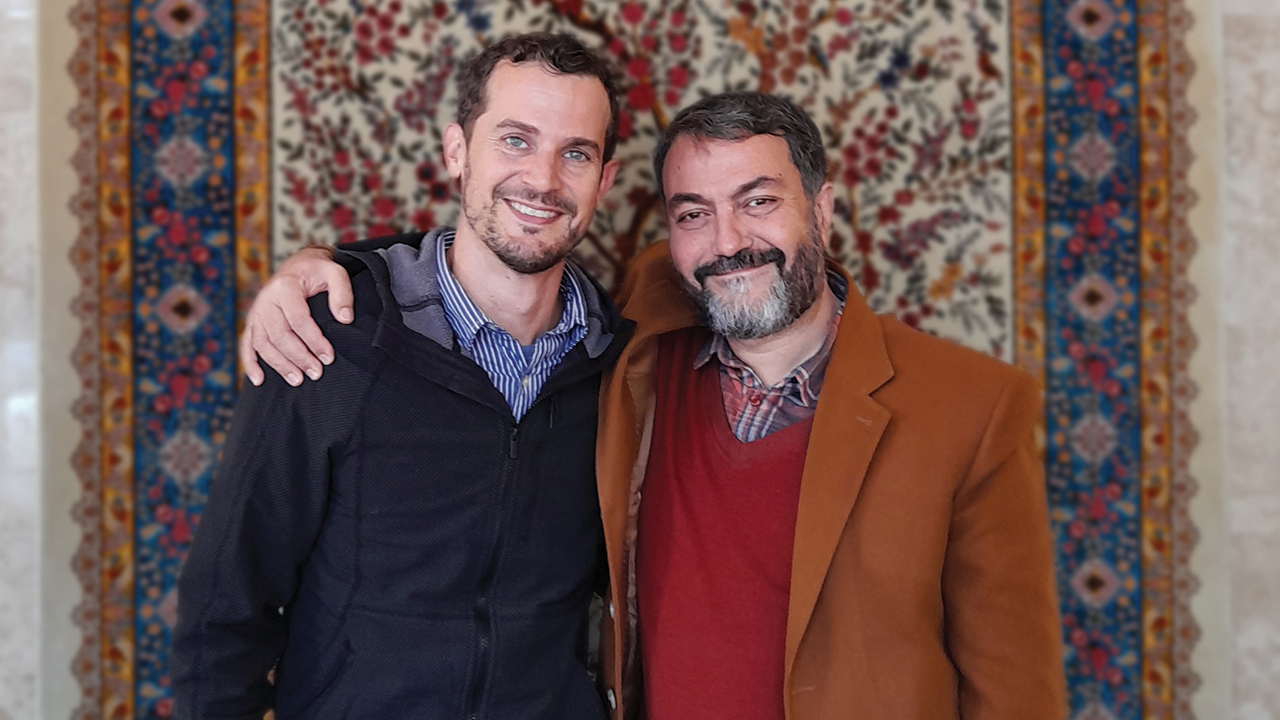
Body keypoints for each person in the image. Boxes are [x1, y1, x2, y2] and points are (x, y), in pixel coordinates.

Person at [244, 93, 1067, 719]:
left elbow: (1016, 691)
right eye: (692, 215)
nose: (727, 241)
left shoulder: (973, 407)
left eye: (759, 200)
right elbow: (497, 262)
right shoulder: (636, 344)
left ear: (821, 207)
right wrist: (334, 268)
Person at [172, 33, 630, 719]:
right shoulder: (330, 338)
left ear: (606, 179)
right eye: (514, 140)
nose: (543, 179)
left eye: (576, 153)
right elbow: (225, 600)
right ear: (456, 152)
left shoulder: (622, 369)